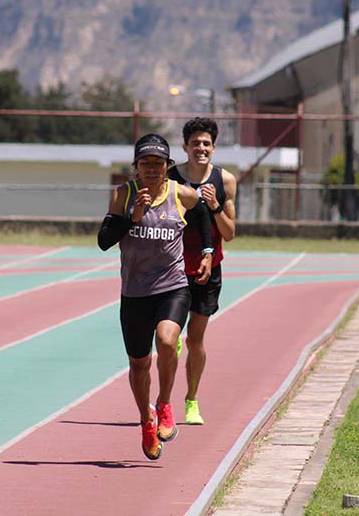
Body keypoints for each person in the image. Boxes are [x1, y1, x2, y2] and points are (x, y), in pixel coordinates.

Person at [98, 133, 213, 460]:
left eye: (158, 164)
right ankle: (145, 421)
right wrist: (132, 217)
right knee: (139, 364)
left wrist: (206, 251)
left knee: (166, 340)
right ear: (136, 168)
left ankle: (164, 404)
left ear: (167, 166)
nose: (151, 169)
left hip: (172, 286)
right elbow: (104, 240)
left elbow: (203, 212)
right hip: (134, 292)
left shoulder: (181, 194)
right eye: (145, 163)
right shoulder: (123, 195)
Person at [167, 117, 237, 426]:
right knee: (168, 336)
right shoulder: (169, 177)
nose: (201, 148)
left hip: (209, 270)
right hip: (172, 267)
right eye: (195, 143)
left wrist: (215, 207)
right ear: (185, 147)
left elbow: (231, 232)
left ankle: (191, 400)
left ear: (214, 147)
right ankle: (163, 403)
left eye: (206, 143)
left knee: (196, 341)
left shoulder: (226, 181)